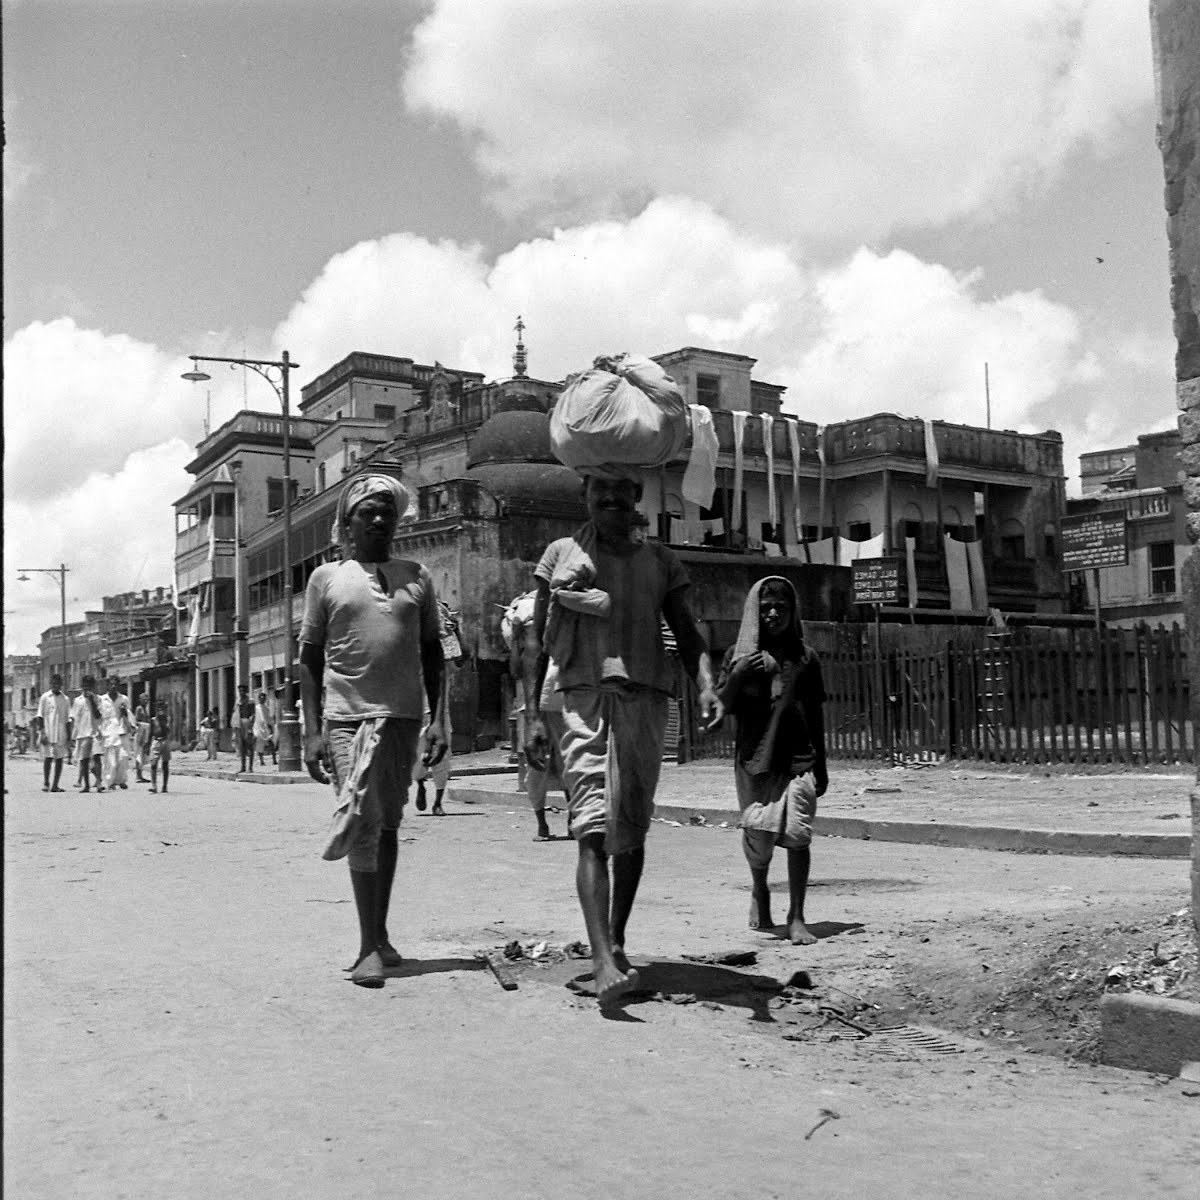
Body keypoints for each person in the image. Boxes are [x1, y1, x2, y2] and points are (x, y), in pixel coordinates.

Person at [525, 472, 722, 1007]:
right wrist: (534, 717)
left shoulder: (661, 561)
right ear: (586, 495)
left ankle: (616, 939)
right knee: (591, 825)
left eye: (621, 490)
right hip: (581, 699)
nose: (610, 499)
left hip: (646, 699)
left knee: (631, 827)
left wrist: (705, 685)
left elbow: (687, 631)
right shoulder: (563, 554)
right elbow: (538, 641)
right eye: (599, 491)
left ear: (638, 497)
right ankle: (601, 958)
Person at [300, 474, 446, 989]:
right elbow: (310, 658)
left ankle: (379, 934)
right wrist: (312, 730)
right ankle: (367, 948)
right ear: (349, 522)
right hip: (347, 717)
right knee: (362, 818)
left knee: (387, 823)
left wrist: (439, 720)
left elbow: (433, 652)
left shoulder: (417, 576)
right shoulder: (326, 578)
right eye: (369, 511)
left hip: (403, 716)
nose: (380, 519)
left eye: (388, 510)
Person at [716, 576, 828, 946]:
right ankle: (760, 889)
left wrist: (822, 765)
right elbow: (722, 708)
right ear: (754, 611)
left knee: (798, 835)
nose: (774, 614)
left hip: (798, 758)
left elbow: (815, 713)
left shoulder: (806, 657)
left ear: (793, 611)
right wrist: (737, 675)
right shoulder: (739, 655)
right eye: (765, 608)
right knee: (760, 838)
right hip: (755, 760)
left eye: (781, 607)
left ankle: (796, 916)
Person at [505, 589, 568, 841]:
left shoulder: (559, 634)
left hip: (559, 700)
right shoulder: (529, 640)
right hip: (533, 707)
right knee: (536, 767)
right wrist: (515, 643)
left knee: (568, 761)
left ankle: (574, 819)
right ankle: (542, 823)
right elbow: (515, 671)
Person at [35, 674, 71, 793]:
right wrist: (42, 732)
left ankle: (55, 784)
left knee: (59, 759)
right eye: (54, 683)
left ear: (61, 685)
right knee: (48, 758)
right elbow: (40, 716)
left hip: (61, 733)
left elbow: (68, 719)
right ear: (51, 684)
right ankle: (46, 783)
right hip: (49, 732)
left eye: (58, 684)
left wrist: (69, 736)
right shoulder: (45, 697)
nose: (56, 686)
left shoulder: (65, 699)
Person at [99, 677, 135, 790]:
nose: (113, 686)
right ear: (108, 686)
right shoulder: (102, 700)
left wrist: (124, 711)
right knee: (110, 759)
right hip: (108, 731)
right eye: (111, 684)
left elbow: (129, 715)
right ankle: (110, 781)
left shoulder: (124, 699)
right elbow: (99, 716)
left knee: (123, 757)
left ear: (119, 686)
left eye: (116, 684)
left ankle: (121, 780)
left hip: (121, 730)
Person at [69, 675, 104, 793]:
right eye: (85, 686)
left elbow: (98, 715)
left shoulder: (98, 699)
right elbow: (74, 719)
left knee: (97, 758)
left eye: (90, 687)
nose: (87, 689)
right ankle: (86, 785)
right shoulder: (77, 701)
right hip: (83, 733)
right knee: (84, 760)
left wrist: (92, 702)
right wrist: (73, 736)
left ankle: (99, 782)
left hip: (95, 732)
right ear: (82, 687)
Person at [148, 700, 172, 794]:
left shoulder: (167, 719)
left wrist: (164, 723)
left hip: (165, 741)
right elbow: (151, 733)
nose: (160, 709)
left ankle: (164, 785)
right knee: (153, 764)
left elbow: (168, 730)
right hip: (156, 741)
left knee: (165, 764)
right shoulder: (153, 720)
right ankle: (154, 785)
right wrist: (147, 744)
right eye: (158, 708)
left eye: (162, 708)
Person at [235, 684, 256, 772]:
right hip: (240, 724)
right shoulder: (238, 701)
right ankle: (243, 766)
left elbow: (253, 714)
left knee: (249, 746)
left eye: (243, 691)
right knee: (241, 746)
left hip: (247, 722)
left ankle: (250, 767)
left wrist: (250, 727)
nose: (241, 693)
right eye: (240, 691)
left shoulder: (250, 701)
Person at [253, 691, 276, 766]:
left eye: (264, 698)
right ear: (259, 699)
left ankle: (274, 759)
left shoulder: (266, 708)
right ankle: (261, 761)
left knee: (271, 743)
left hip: (266, 728)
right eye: (261, 698)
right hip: (259, 728)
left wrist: (271, 728)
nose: (262, 700)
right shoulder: (256, 708)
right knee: (260, 745)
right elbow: (255, 718)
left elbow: (268, 719)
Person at [133, 693, 152, 783]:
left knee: (143, 755)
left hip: (145, 734)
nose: (146, 701)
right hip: (140, 734)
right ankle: (138, 775)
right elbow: (136, 721)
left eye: (147, 700)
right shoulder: (139, 709)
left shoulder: (145, 709)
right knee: (138, 755)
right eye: (144, 700)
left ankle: (141, 774)